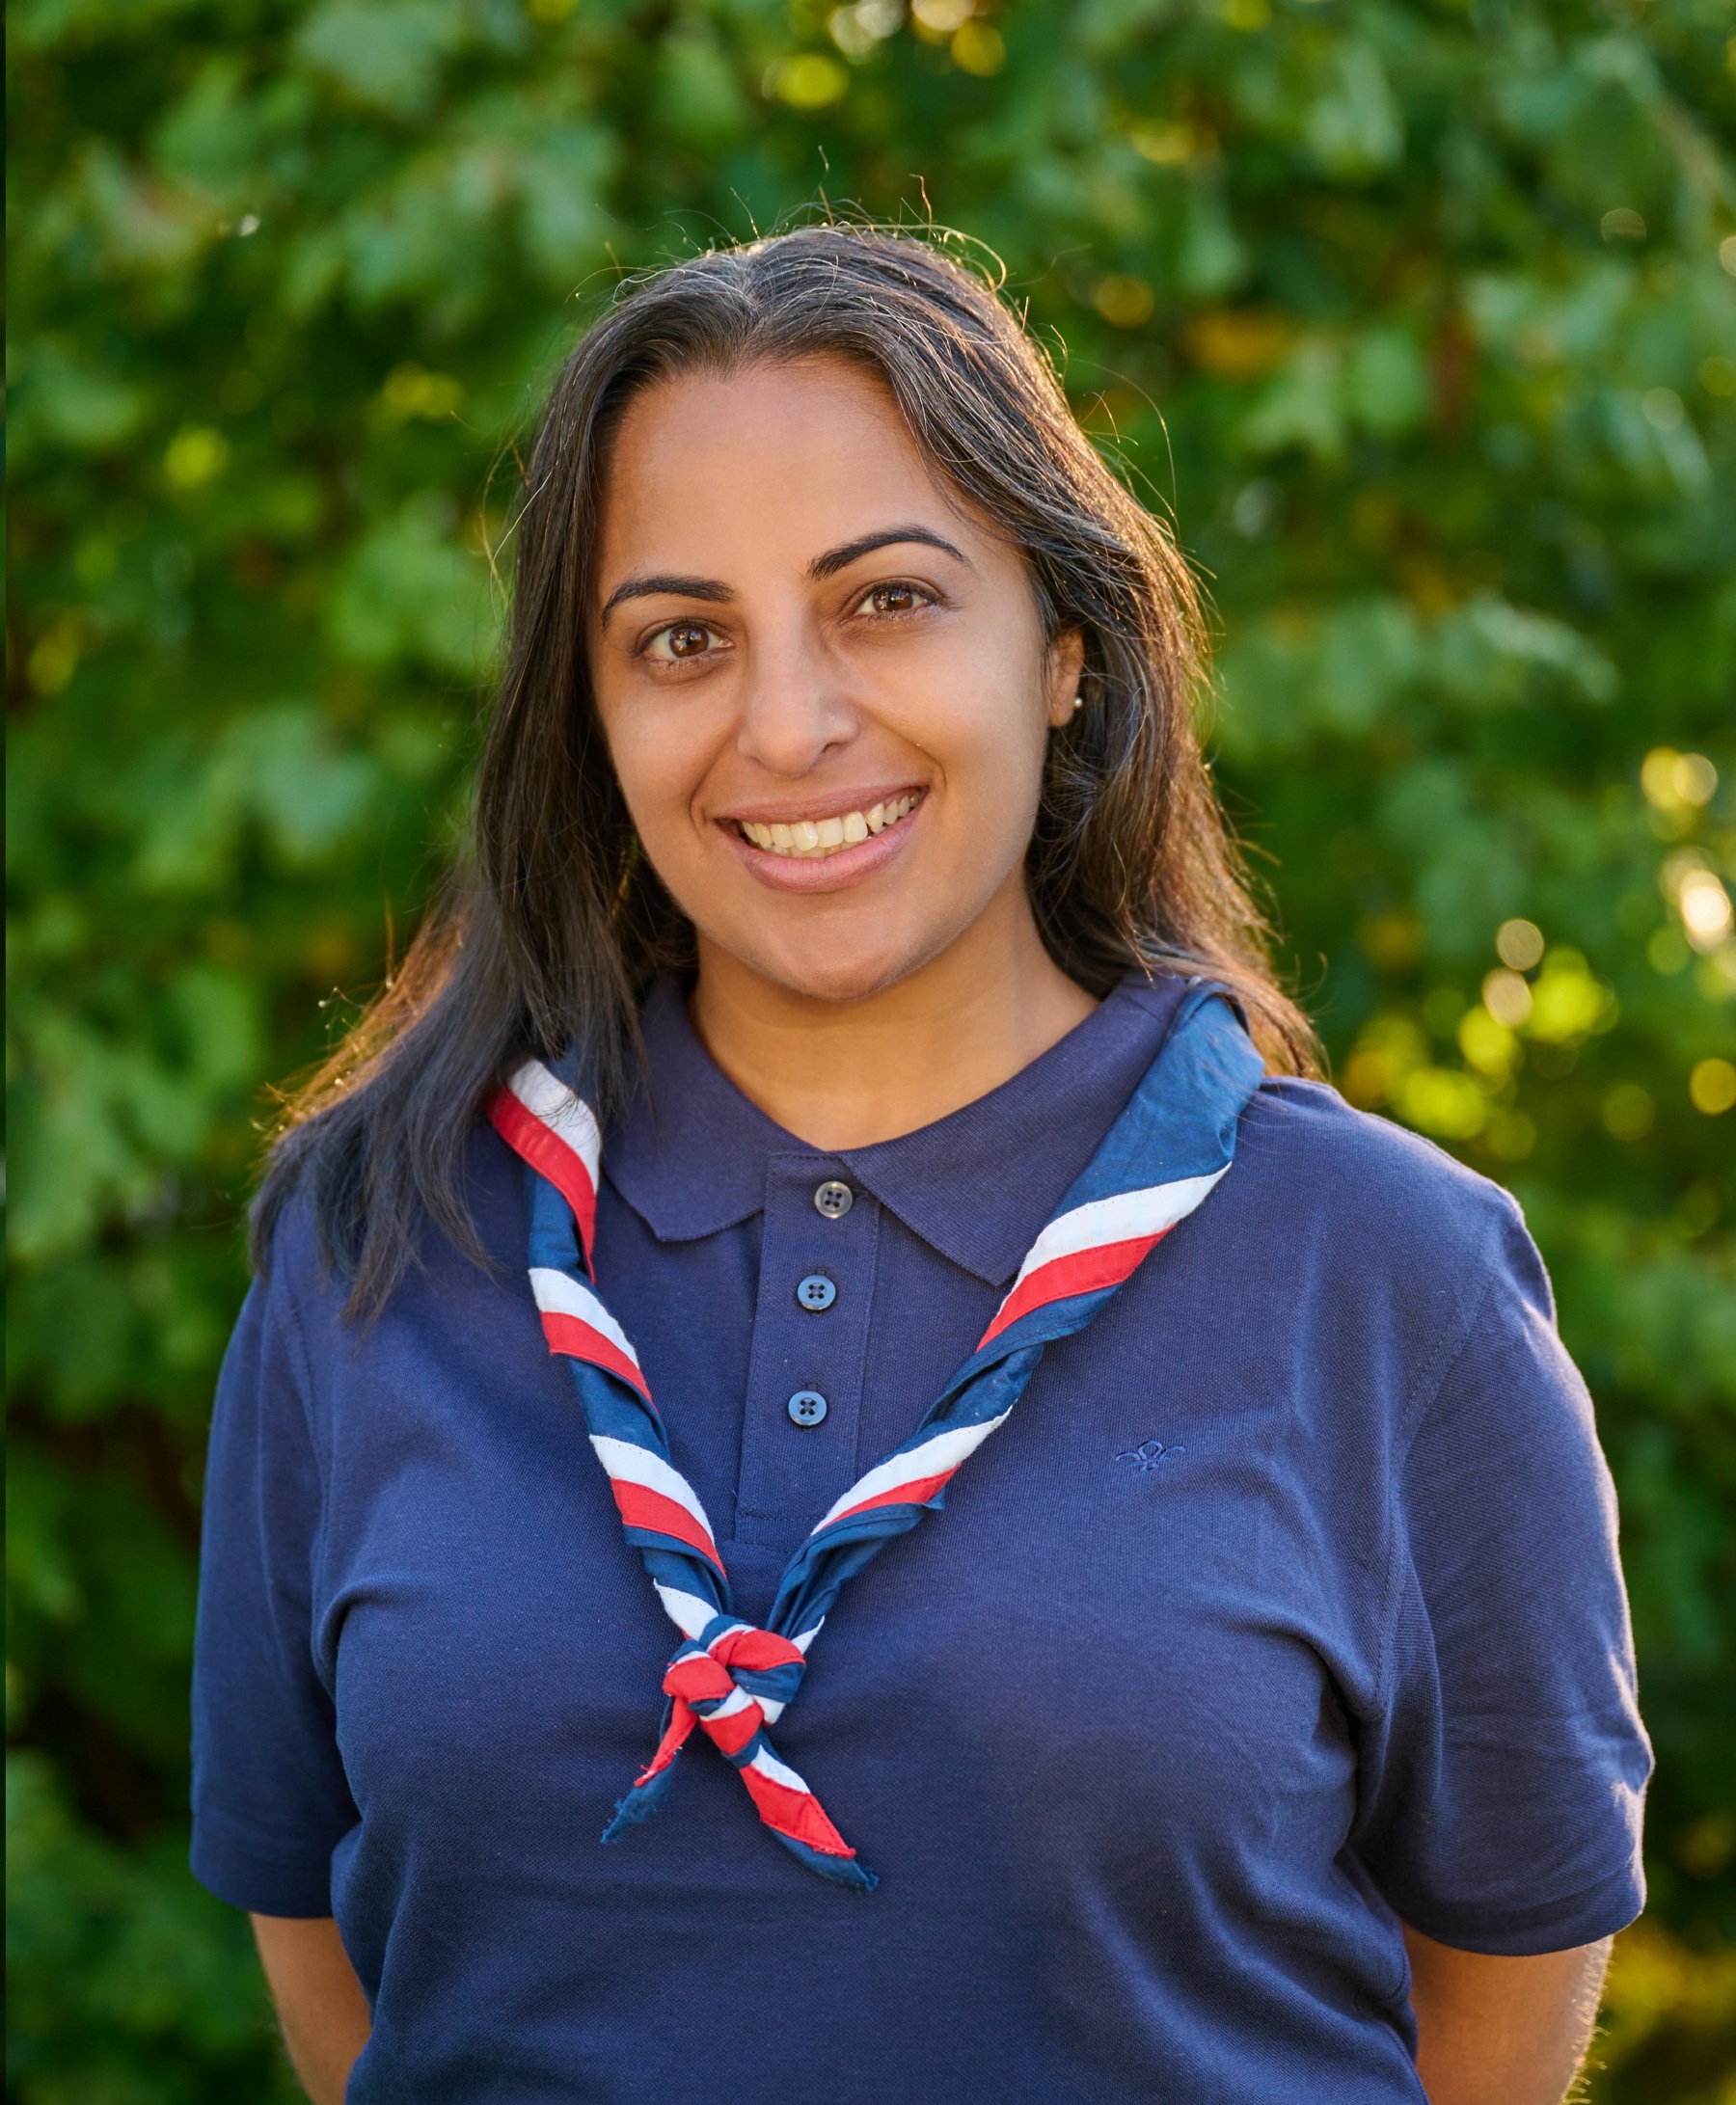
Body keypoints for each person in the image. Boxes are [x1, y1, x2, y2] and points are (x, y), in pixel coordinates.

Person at [190, 227, 1650, 2105]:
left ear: (1062, 649)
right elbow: (334, 1965)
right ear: (591, 712)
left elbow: (1506, 1994)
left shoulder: (1392, 1278)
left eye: (885, 601)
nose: (786, 725)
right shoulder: (369, 1247)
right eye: (682, 638)